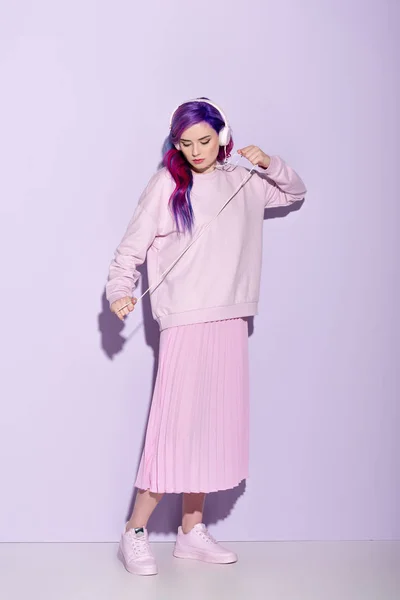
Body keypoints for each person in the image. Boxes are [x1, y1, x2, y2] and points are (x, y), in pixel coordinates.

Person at [106, 97, 307, 576]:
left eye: (204, 140)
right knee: (174, 428)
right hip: (185, 320)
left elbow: (295, 192)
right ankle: (134, 531)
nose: (196, 151)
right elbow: (129, 251)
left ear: (222, 134)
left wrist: (271, 163)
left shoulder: (244, 183)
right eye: (186, 143)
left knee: (212, 428)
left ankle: (190, 531)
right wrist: (120, 292)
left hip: (232, 318)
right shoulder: (166, 185)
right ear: (176, 144)